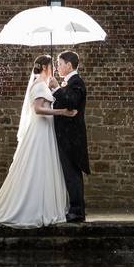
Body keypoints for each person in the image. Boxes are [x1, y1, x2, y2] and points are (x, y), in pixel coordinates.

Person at [0, 55, 77, 228]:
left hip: (46, 130)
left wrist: (56, 88)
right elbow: (38, 109)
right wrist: (62, 112)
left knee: (46, 167)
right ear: (44, 67)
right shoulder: (39, 84)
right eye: (52, 66)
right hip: (40, 131)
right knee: (37, 166)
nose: (55, 69)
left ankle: (45, 205)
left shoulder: (44, 84)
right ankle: (33, 208)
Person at [48, 50, 89, 222]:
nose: (57, 66)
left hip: (72, 139)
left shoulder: (76, 82)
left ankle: (77, 211)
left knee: (72, 174)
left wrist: (56, 88)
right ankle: (74, 208)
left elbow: (72, 102)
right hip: (66, 137)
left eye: (59, 63)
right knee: (69, 174)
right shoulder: (69, 82)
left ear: (69, 65)